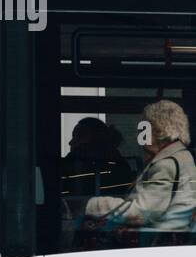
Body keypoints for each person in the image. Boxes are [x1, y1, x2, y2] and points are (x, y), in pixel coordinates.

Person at [84, 100, 196, 247]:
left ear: (159, 129)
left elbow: (141, 212)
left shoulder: (166, 164)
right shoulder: (178, 157)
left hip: (158, 248)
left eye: (144, 128)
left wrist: (93, 204)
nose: (139, 134)